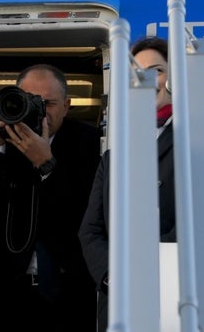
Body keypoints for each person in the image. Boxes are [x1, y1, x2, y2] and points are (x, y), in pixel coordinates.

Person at [0, 64, 100, 331]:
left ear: (67, 106)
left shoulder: (92, 143)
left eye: (48, 103)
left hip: (69, 289)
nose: (39, 110)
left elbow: (84, 214)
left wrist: (46, 163)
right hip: (9, 290)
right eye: (30, 101)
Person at [79, 36, 177, 332]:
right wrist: (112, 277)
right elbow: (90, 231)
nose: (147, 79)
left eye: (157, 70)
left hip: (172, 300)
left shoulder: (203, 144)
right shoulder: (113, 157)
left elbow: (200, 229)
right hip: (117, 304)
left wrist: (146, 277)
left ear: (176, 77)